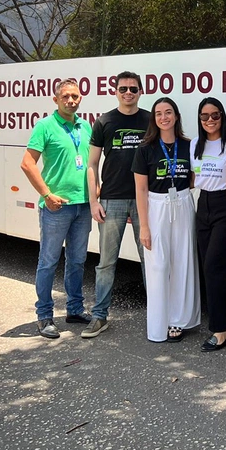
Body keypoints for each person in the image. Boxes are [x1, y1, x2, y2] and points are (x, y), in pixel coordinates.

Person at [20, 79, 93, 339]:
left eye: (75, 96)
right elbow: (27, 163)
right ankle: (44, 315)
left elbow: (91, 163)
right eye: (65, 96)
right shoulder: (45, 126)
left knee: (77, 260)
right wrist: (46, 194)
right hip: (56, 207)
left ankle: (74, 309)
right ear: (56, 99)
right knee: (48, 261)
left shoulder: (85, 126)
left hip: (82, 206)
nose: (71, 100)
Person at [84, 71, 149, 339]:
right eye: (123, 88)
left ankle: (158, 314)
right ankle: (100, 316)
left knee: (150, 260)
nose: (128, 93)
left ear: (140, 91)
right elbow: (91, 164)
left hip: (143, 201)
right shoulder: (104, 121)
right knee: (106, 262)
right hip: (111, 200)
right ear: (116, 92)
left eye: (133, 88)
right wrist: (93, 201)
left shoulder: (149, 119)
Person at [132, 97, 201, 343]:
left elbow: (196, 177)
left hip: (182, 203)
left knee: (183, 262)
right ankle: (159, 322)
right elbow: (140, 190)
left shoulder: (189, 145)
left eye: (168, 112)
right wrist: (144, 226)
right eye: (159, 113)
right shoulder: (145, 148)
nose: (164, 117)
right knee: (158, 265)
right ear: (154, 118)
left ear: (176, 116)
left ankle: (178, 320)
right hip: (157, 206)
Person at [190, 97, 226, 351]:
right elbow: (193, 177)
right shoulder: (196, 144)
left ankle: (219, 330)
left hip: (224, 204)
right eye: (204, 116)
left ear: (222, 116)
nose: (210, 120)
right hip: (203, 204)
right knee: (208, 268)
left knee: (214, 266)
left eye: (215, 115)